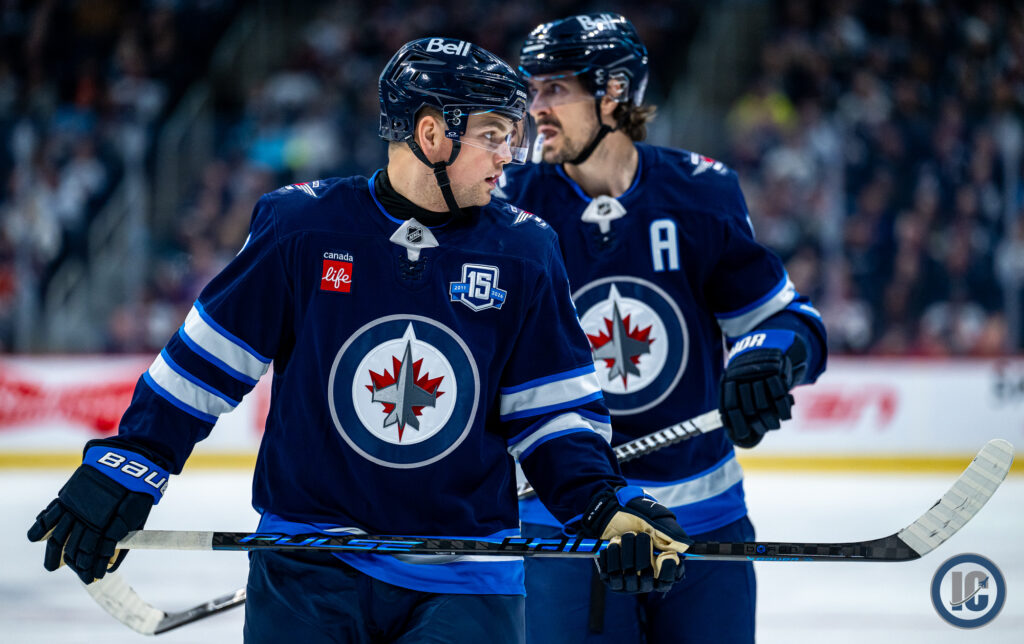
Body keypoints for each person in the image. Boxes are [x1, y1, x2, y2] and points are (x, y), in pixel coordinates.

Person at [27, 38, 692, 644]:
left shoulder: (526, 249)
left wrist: (602, 504)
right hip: (308, 563)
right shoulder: (301, 227)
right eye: (493, 135)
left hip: (467, 574)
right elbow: (205, 364)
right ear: (432, 134)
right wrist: (130, 462)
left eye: (512, 137)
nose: (508, 157)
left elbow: (552, 415)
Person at [496, 14, 828, 644]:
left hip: (703, 517)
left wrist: (766, 357)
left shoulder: (700, 191)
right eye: (532, 90)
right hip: (568, 522)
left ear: (615, 92)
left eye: (555, 89)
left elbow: (788, 321)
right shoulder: (506, 204)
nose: (535, 109)